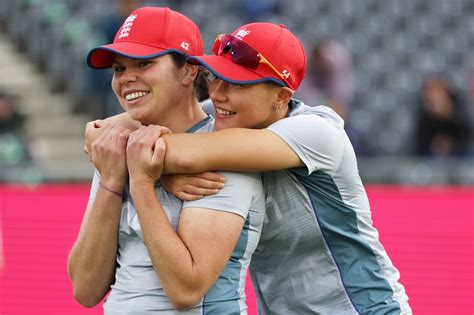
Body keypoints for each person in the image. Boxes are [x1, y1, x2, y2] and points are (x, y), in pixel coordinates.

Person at [86, 23, 412, 314]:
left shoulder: (317, 132)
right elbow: (101, 132)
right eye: (215, 77)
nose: (218, 93)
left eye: (238, 84)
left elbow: (181, 152)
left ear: (282, 96)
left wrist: (153, 170)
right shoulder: (232, 112)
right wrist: (146, 159)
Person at [67, 7, 265, 314]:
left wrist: (143, 182)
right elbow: (85, 288)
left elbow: (186, 291)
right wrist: (111, 180)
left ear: (189, 70)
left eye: (144, 64)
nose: (127, 79)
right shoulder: (118, 147)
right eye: (119, 69)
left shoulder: (224, 150)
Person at [414, 74, 471, 157]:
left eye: (437, 89)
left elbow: (465, 132)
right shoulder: (423, 108)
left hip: (458, 150)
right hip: (432, 152)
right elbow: (420, 139)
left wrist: (448, 114)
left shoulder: (458, 103)